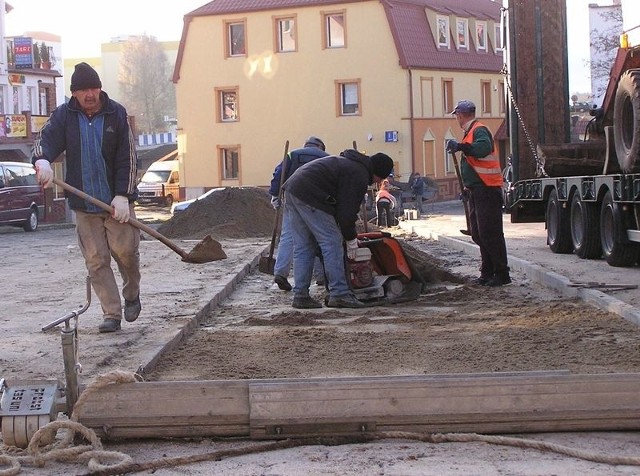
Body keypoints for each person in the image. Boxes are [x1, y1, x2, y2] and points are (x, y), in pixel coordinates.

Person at [33, 62, 141, 333]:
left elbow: (127, 158)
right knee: (96, 260)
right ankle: (112, 313)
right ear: (75, 94)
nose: (90, 94)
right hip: (85, 206)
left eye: (94, 88)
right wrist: (43, 160)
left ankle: (131, 293)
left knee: (126, 253)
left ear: (100, 89)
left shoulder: (116, 114)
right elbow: (45, 140)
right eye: (84, 90)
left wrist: (123, 195)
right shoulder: (64, 116)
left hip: (116, 203)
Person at [282, 149, 394, 309]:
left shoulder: (349, 164)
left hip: (293, 188)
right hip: (310, 194)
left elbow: (340, 207)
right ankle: (340, 293)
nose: (376, 183)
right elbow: (346, 213)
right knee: (332, 243)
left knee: (304, 246)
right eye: (379, 179)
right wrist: (351, 239)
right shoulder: (358, 174)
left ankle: (300, 295)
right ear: (377, 173)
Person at [446, 99, 511, 286]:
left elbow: (482, 149)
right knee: (478, 234)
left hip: (487, 189)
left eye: (457, 115)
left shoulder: (479, 130)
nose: (457, 119)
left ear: (460, 115)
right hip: (477, 189)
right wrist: (467, 188)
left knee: (490, 233)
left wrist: (461, 147)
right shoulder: (470, 132)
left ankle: (501, 274)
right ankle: (487, 272)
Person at [268, 136, 328, 291]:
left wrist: (275, 195)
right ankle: (321, 276)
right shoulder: (327, 157)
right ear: (321, 147)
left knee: (288, 236)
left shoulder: (292, 155)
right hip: (316, 202)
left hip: (292, 197)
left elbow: (278, 174)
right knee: (317, 236)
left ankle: (280, 272)